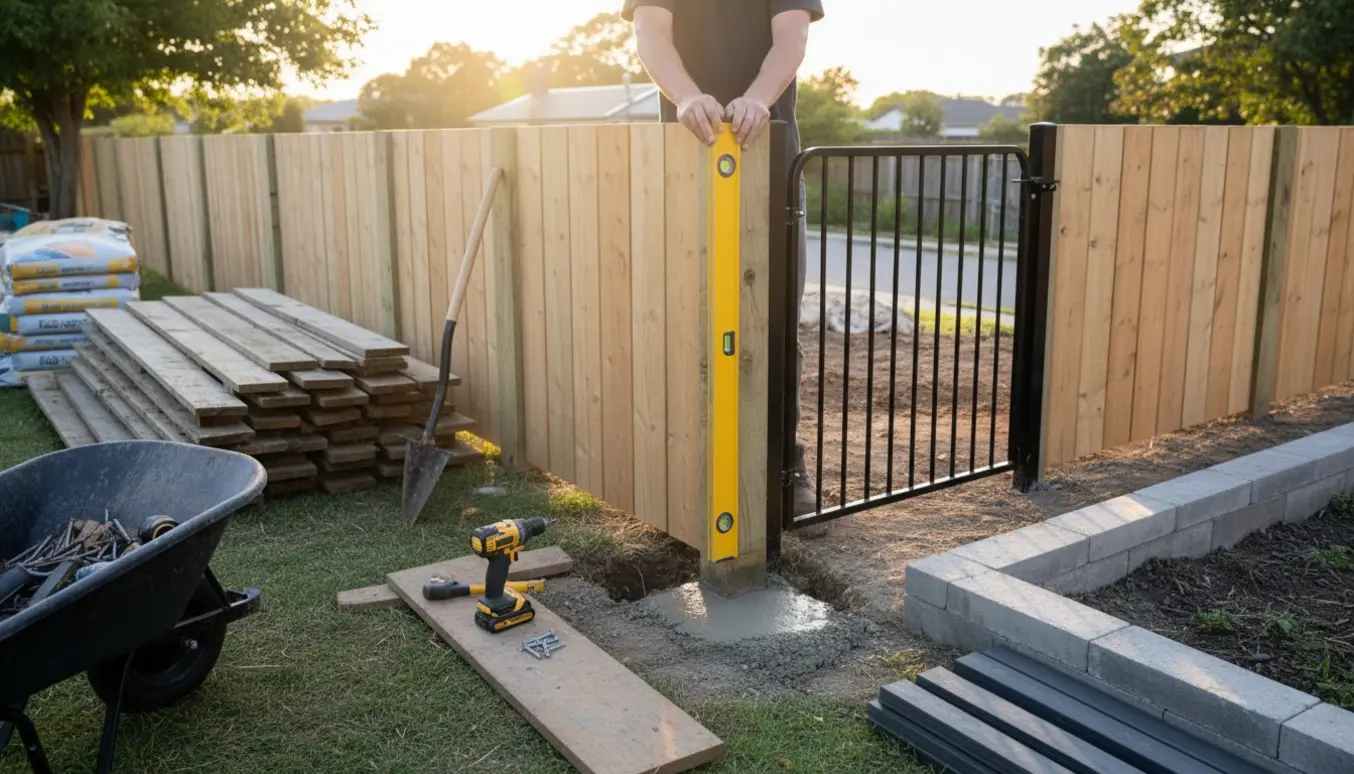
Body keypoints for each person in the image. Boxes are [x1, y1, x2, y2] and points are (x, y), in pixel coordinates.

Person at [623, 0, 823, 516]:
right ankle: (686, 462)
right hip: (683, 160)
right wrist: (688, 97)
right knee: (683, 319)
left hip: (771, 159)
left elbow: (792, 38)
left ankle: (783, 463)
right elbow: (650, 33)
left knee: (775, 323)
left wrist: (756, 100)